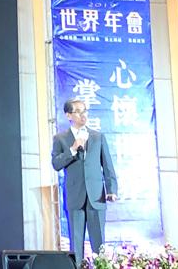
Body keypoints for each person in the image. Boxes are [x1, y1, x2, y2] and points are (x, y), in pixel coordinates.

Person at [51, 98, 118, 264]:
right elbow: (56, 164)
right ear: (68, 115)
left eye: (85, 111)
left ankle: (101, 266)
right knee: (76, 242)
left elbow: (107, 165)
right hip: (75, 195)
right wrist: (72, 149)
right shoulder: (60, 138)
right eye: (78, 111)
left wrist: (111, 189)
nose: (83, 115)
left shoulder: (98, 137)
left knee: (99, 242)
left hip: (96, 195)